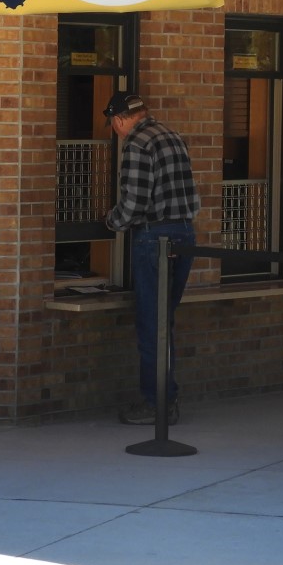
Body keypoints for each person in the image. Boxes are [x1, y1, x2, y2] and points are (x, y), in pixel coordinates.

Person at [104, 91, 200, 427]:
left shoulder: (137, 144)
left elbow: (135, 203)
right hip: (185, 234)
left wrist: (110, 222)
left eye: (113, 124)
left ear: (119, 120)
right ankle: (166, 396)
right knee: (165, 321)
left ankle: (156, 403)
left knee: (151, 324)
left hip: (154, 238)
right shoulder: (172, 136)